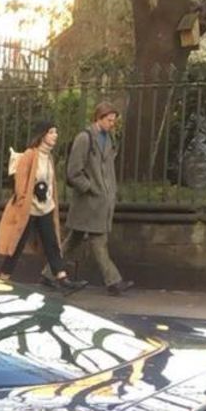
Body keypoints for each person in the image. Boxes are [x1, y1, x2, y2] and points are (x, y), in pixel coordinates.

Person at [0, 121, 86, 292]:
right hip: (28, 209)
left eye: (56, 132)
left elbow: (49, 182)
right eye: (52, 132)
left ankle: (62, 277)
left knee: (52, 243)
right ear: (43, 134)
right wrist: (23, 200)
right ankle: (3, 279)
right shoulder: (31, 154)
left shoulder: (48, 156)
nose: (55, 135)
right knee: (17, 245)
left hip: (45, 208)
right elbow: (21, 181)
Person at [61, 101, 134, 295]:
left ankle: (50, 272)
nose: (112, 124)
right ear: (98, 118)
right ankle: (114, 282)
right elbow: (73, 172)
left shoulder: (109, 139)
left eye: (114, 121)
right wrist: (91, 188)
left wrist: (109, 191)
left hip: (101, 201)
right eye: (109, 120)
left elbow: (107, 170)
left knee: (73, 240)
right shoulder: (85, 138)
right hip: (89, 201)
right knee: (98, 241)